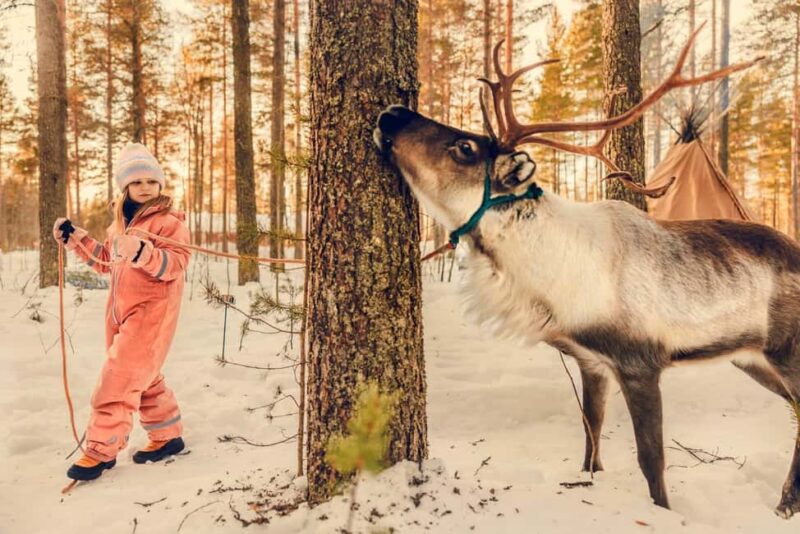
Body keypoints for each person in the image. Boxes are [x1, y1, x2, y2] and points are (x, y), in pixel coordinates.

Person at [53, 142, 191, 481]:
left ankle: (101, 449)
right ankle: (167, 435)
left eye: (151, 181)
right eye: (137, 181)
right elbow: (106, 262)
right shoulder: (119, 226)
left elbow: (176, 263)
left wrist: (143, 252)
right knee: (143, 376)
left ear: (160, 184)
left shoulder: (168, 223)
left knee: (119, 378)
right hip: (120, 314)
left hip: (151, 313)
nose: (145, 187)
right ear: (125, 187)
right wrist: (76, 240)